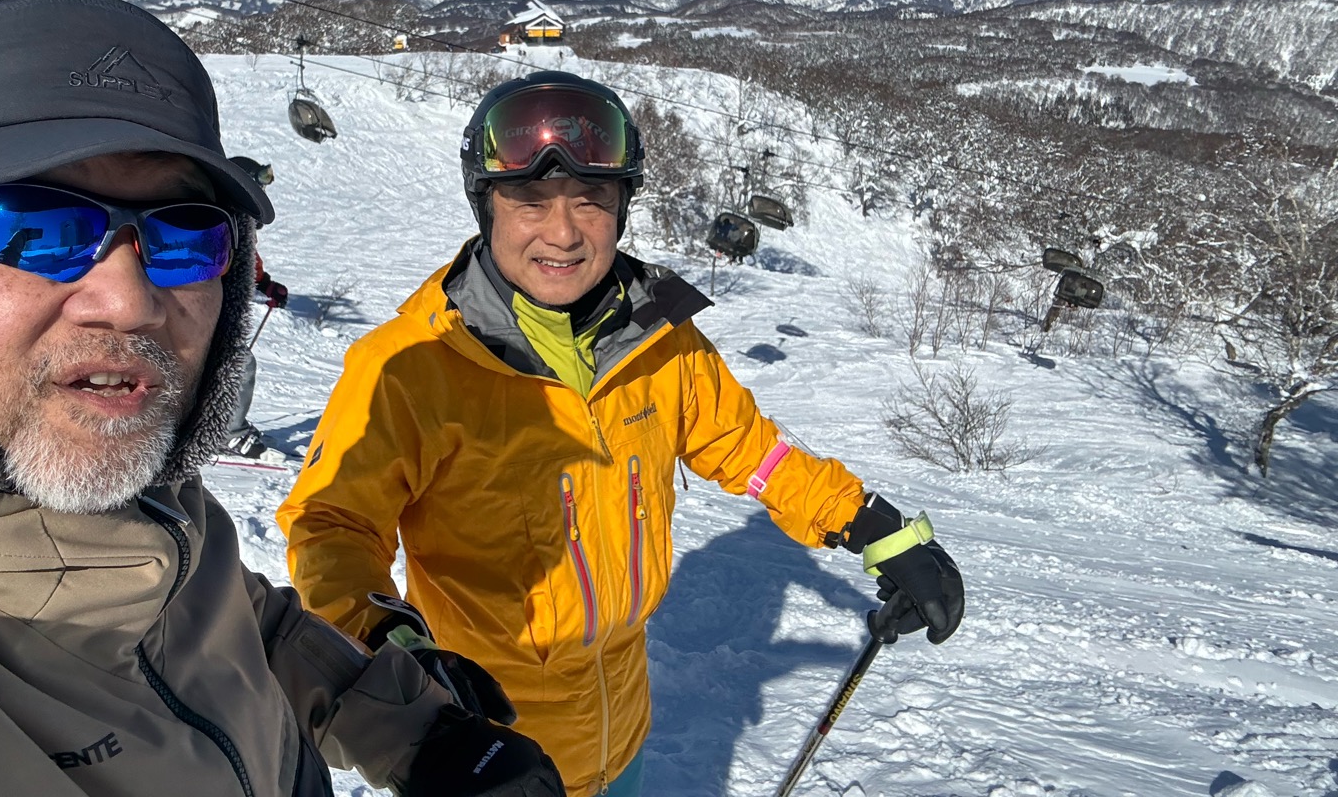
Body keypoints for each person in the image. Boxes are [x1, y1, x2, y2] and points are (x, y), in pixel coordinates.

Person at [0, 0, 563, 797]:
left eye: (182, 236)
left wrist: (408, 728)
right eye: (32, 228)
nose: (129, 300)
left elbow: (236, 625)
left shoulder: (150, 501)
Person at [278, 71, 965, 796]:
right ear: (487, 206)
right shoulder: (412, 365)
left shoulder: (657, 340)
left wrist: (869, 524)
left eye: (591, 200)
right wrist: (394, 646)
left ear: (622, 208)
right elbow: (331, 527)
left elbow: (746, 447)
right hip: (488, 749)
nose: (564, 232)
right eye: (530, 201)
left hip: (621, 728)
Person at [223, 155, 290, 459]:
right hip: (202, 307)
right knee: (239, 362)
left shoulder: (241, 220)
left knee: (232, 363)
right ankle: (229, 433)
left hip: (220, 307)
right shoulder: (226, 218)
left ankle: (221, 426)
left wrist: (265, 284)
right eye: (259, 185)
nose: (263, 193)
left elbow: (249, 261)